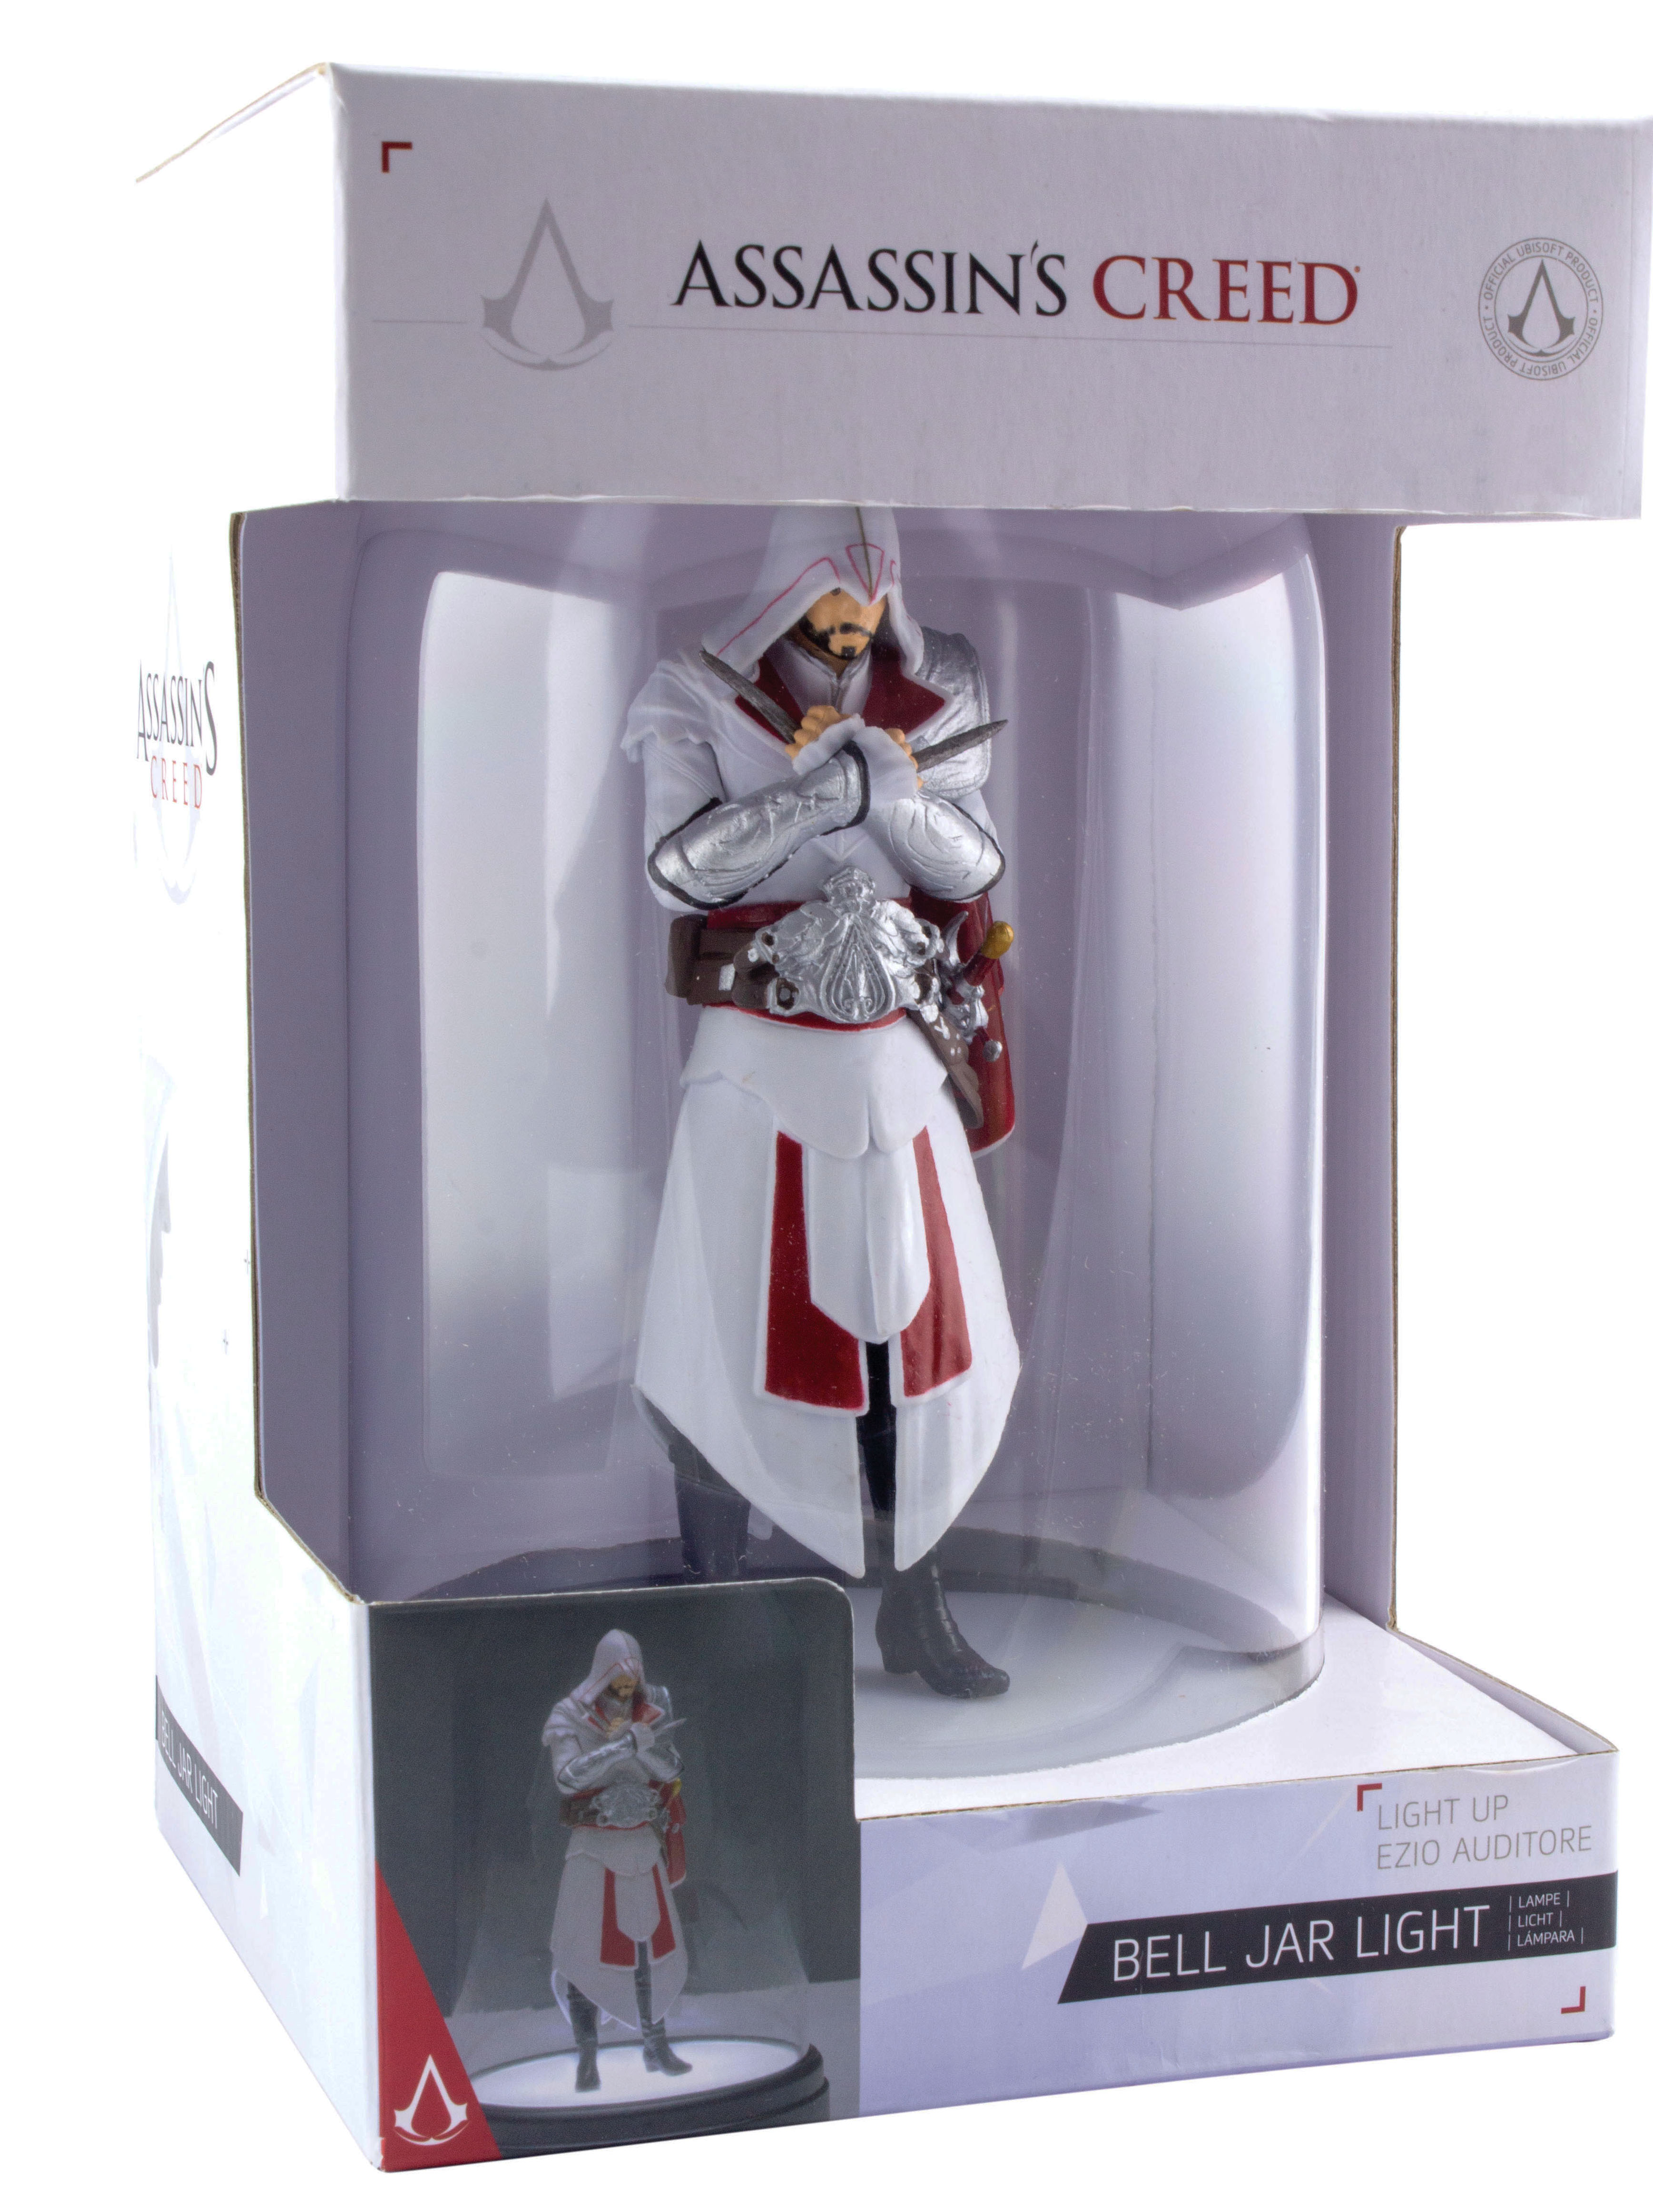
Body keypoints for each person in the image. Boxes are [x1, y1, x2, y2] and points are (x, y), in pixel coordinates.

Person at [623, 505, 1020, 1699]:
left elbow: (973, 864)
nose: (855, 624)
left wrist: (890, 790)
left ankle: (918, 1608)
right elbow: (677, 871)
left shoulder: (937, 685)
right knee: (719, 1330)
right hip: (755, 1061)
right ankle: (718, 1613)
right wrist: (819, 793)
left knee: (918, 1350)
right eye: (832, 599)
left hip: (898, 1064)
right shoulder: (698, 689)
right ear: (785, 586)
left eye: (871, 599)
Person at [543, 1629, 689, 2090]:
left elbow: (673, 1768)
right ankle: (587, 2056)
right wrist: (622, 1747)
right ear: (601, 1676)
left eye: (632, 1683)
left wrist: (646, 1744)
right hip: (593, 1847)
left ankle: (655, 2044)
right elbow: (568, 1778)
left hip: (642, 1843)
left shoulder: (652, 1707)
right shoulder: (570, 1714)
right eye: (617, 1683)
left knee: (652, 1953)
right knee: (583, 1954)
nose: (626, 1691)